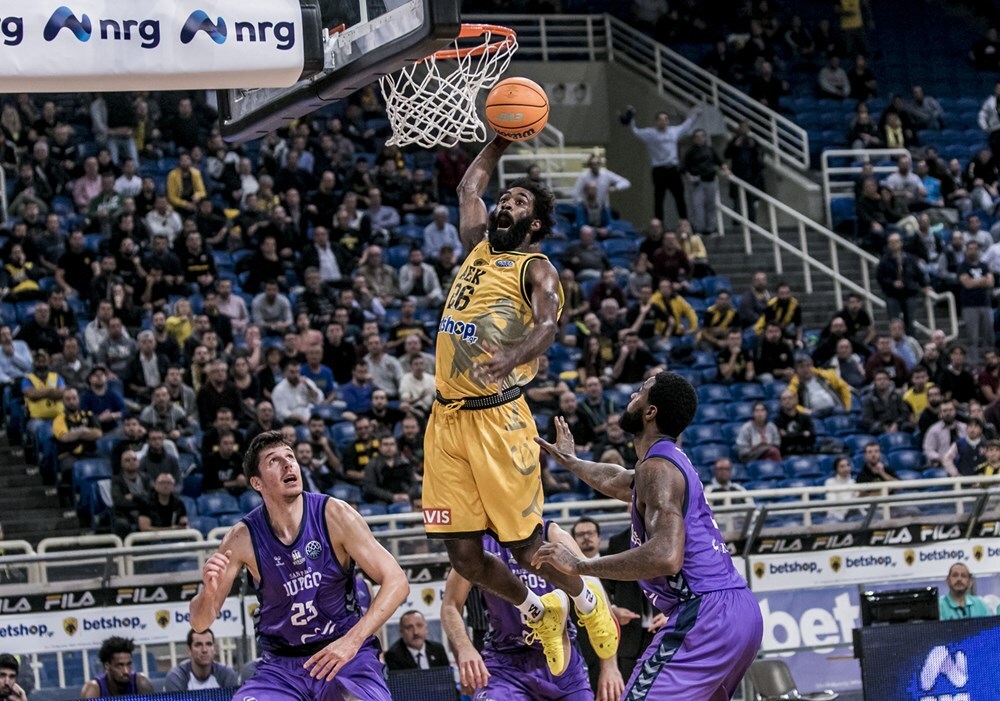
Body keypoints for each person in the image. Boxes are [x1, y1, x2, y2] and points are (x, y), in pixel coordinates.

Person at [423, 134, 619, 677]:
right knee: (463, 557)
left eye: (518, 203)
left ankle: (586, 600)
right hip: (446, 419)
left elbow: (549, 323)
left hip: (497, 416)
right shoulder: (477, 246)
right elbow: (470, 185)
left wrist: (513, 354)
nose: (505, 204)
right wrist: (501, 138)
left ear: (533, 225)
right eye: (505, 199)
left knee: (527, 546)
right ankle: (542, 612)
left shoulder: (537, 268)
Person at [532, 372, 763, 699]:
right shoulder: (661, 463)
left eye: (639, 391)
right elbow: (616, 480)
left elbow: (665, 557)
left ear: (650, 411)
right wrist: (570, 461)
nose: (631, 396)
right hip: (736, 610)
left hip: (706, 610)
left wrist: (580, 565)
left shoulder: (658, 469)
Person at [189, 431, 409, 700]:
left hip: (343, 654)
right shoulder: (241, 538)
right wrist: (208, 593)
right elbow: (201, 622)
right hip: (282, 667)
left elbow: (397, 581)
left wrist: (353, 640)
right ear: (256, 483)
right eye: (274, 460)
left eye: (290, 457)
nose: (288, 464)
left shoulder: (335, 515)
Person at [442, 520, 624, 701]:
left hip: (563, 661)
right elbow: (450, 605)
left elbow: (594, 589)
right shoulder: (477, 543)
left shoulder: (551, 533)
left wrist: (609, 665)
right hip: (506, 661)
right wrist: (464, 649)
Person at [623, 104, 702, 222]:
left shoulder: (674, 131)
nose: (663, 121)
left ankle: (685, 224)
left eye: (666, 119)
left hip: (673, 169)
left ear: (668, 121)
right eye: (660, 119)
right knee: (659, 199)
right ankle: (659, 226)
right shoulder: (650, 134)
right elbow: (635, 131)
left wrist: (695, 114)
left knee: (679, 198)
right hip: (659, 171)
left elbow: (687, 125)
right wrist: (631, 117)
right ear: (656, 122)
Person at [164, 628, 240, 691]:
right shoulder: (177, 677)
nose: (204, 650)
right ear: (189, 650)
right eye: (198, 645)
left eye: (209, 644)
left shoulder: (227, 674)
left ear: (215, 649)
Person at [80, 636, 154, 697]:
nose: (126, 671)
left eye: (128, 664)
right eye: (120, 666)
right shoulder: (93, 689)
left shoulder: (141, 683)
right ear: (107, 666)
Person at [383, 610, 449, 671]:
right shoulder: (393, 656)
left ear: (426, 629)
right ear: (401, 633)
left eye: (419, 625)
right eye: (409, 627)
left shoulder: (438, 649)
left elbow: (447, 678)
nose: (416, 632)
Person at [823, 456, 858, 522]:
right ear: (836, 470)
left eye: (847, 465)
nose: (846, 469)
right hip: (835, 516)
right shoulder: (830, 482)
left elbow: (857, 504)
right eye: (842, 466)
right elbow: (832, 506)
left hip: (851, 515)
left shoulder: (853, 482)